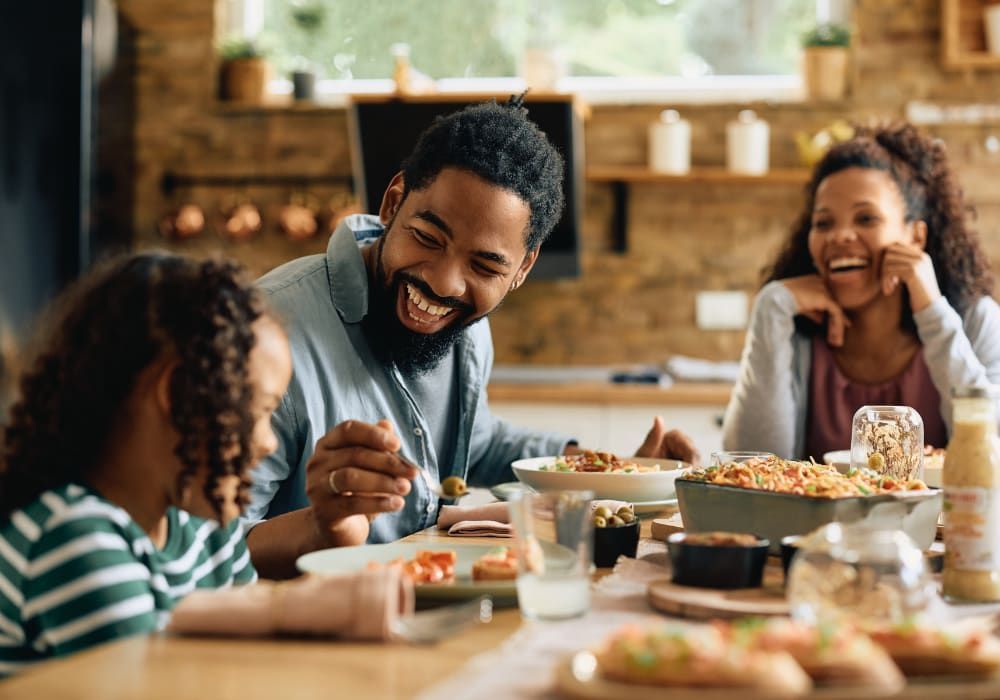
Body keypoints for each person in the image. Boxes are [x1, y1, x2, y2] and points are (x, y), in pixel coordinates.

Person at [246, 97, 698, 578]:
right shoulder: (266, 335)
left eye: (484, 266)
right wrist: (324, 525)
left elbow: (473, 442)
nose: (444, 283)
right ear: (393, 203)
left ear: (522, 268)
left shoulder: (467, 330)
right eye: (427, 238)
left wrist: (613, 472)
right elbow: (206, 546)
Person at [0, 252, 293, 675]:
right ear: (176, 394)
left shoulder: (207, 529)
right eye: (259, 410)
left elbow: (252, 664)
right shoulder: (75, 537)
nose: (267, 442)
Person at [723, 121, 1000, 460]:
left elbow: (989, 453)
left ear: (915, 237)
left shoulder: (974, 321)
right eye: (823, 223)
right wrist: (771, 306)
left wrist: (932, 312)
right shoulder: (797, 330)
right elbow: (752, 468)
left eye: (866, 219)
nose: (839, 236)